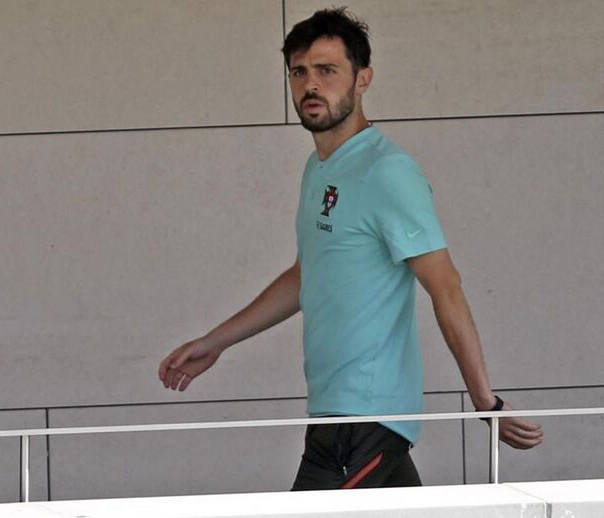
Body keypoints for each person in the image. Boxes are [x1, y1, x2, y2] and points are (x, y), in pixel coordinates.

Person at [158, 7, 543, 490]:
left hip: (364, 420)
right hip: (338, 417)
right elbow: (307, 274)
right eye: (299, 72)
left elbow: (446, 286)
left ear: (363, 79)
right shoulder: (318, 169)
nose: (310, 85)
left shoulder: (387, 172)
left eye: (327, 70)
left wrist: (485, 401)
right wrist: (216, 341)